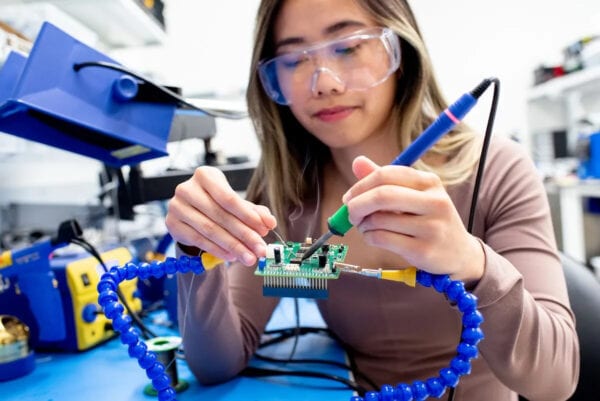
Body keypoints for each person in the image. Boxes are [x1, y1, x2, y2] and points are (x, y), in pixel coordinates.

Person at [165, 0, 579, 399]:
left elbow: (554, 383)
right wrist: (199, 253)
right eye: (293, 60)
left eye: (348, 47)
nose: (324, 82)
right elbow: (220, 363)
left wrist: (473, 263)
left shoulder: (493, 171)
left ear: (399, 49)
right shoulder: (293, 201)